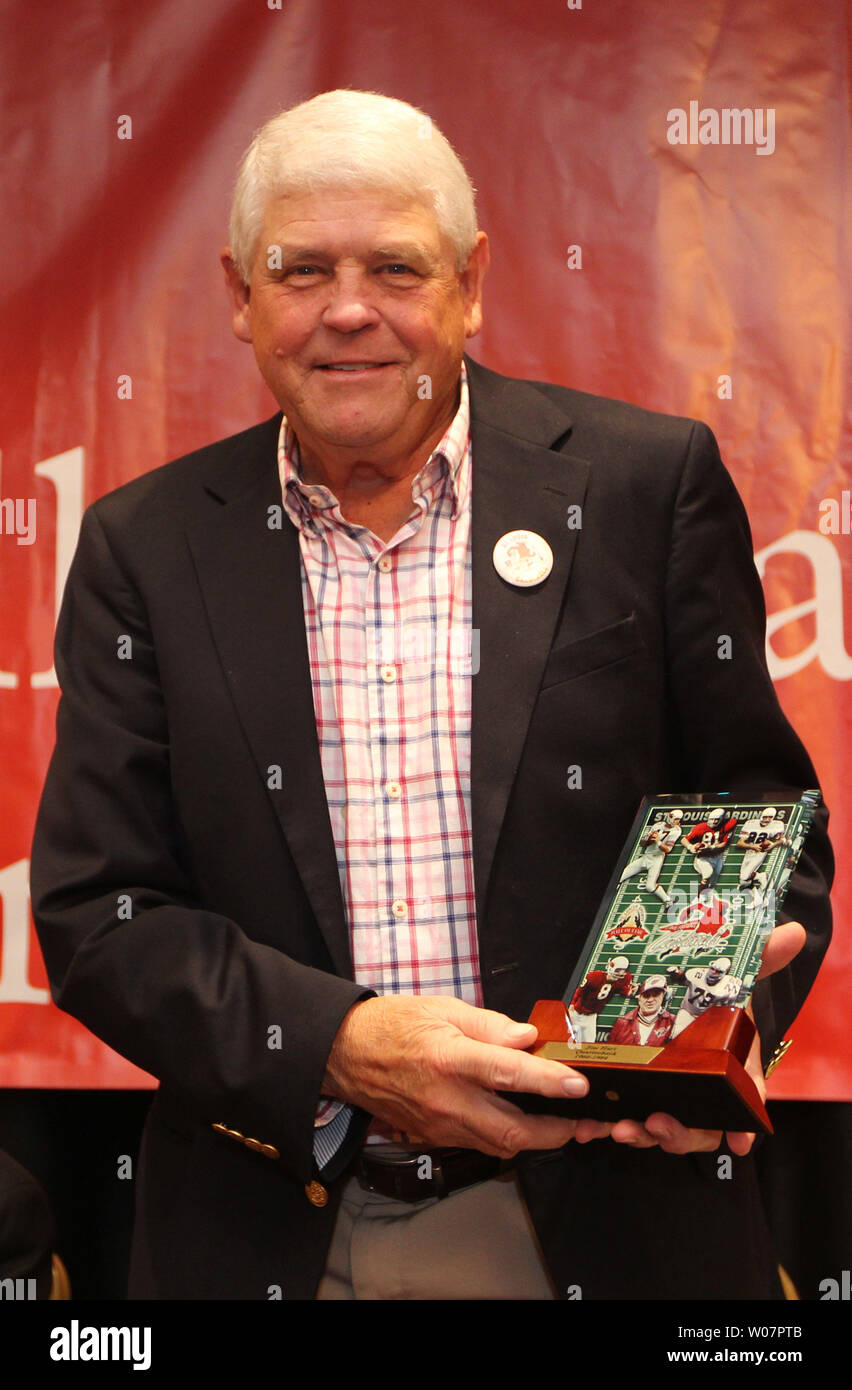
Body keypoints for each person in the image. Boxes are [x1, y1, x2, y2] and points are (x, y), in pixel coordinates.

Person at [30, 90, 832, 1301]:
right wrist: (339, 1047)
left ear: (470, 283)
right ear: (242, 298)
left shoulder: (640, 486)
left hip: (610, 1220)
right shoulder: (143, 548)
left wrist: (717, 1034)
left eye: (396, 267)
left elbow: (755, 807)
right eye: (301, 270)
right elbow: (99, 911)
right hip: (271, 1233)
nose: (349, 311)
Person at [608, 977, 675, 1047]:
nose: (650, 1000)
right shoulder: (622, 1023)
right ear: (639, 998)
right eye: (646, 995)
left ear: (664, 996)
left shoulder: (673, 1022)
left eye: (656, 994)